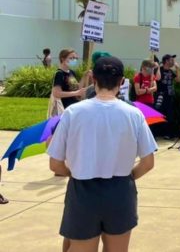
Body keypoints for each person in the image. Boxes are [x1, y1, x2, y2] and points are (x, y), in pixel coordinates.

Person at [47, 56, 157, 252]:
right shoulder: (134, 114)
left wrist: (74, 172)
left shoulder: (72, 113)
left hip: (83, 191)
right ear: (122, 82)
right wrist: (128, 177)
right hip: (120, 190)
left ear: (94, 80)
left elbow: (55, 164)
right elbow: (148, 162)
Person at [154, 54, 180, 138]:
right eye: (171, 60)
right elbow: (157, 78)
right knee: (158, 114)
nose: (173, 62)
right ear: (166, 61)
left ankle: (168, 134)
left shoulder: (171, 71)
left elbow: (178, 80)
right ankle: (157, 133)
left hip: (169, 96)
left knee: (169, 115)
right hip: (160, 96)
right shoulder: (160, 70)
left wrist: (178, 69)